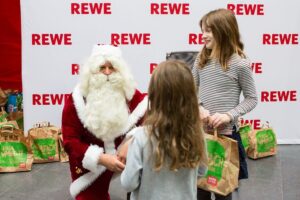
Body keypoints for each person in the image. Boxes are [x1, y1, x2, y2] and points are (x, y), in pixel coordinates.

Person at [61, 44, 148, 200]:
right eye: (102, 68)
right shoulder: (77, 100)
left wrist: (132, 142)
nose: (107, 73)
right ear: (92, 71)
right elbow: (70, 141)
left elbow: (152, 119)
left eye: (112, 68)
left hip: (124, 155)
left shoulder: (129, 93)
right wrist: (100, 158)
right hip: (91, 166)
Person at [191, 8, 258, 200]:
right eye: (203, 30)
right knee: (200, 188)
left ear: (224, 30)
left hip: (226, 138)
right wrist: (199, 107)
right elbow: (191, 90)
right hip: (201, 135)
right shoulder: (201, 59)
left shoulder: (240, 64)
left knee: (223, 191)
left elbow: (252, 98)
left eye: (209, 30)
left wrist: (228, 115)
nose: (204, 35)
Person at [120, 60, 208, 200]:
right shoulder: (197, 134)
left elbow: (128, 183)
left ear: (155, 95)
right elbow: (202, 172)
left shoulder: (141, 137)